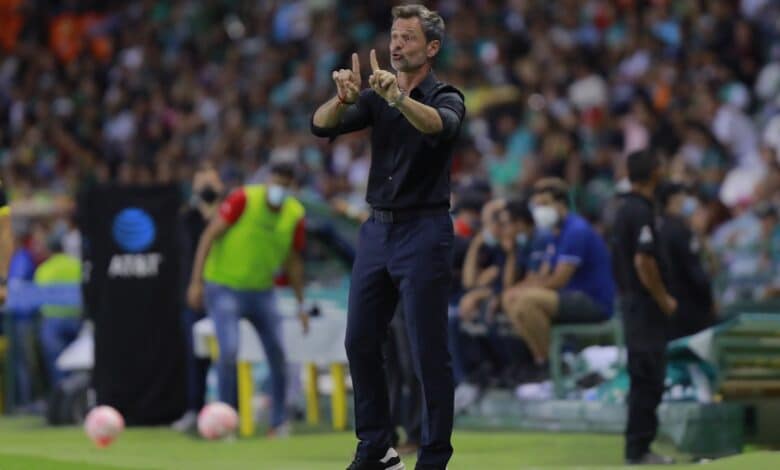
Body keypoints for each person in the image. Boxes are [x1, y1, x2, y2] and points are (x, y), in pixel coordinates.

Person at [311, 4, 465, 469]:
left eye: (408, 38)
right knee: (359, 339)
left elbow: (441, 127)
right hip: (377, 231)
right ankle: (376, 446)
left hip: (424, 229)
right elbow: (321, 126)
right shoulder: (377, 95)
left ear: (431, 48)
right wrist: (341, 98)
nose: (396, 44)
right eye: (394, 36)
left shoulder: (446, 94)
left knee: (427, 350)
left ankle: (434, 456)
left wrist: (398, 98)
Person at [186, 162, 308, 437]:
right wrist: (196, 282)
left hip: (263, 291)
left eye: (285, 184)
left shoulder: (295, 214)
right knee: (228, 351)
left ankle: (278, 423)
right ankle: (226, 421)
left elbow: (293, 262)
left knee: (278, 354)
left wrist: (301, 305)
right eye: (275, 181)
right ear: (266, 180)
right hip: (224, 287)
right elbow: (208, 236)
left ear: (292, 188)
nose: (278, 189)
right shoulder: (244, 198)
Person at [501, 178, 615, 368]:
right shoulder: (555, 233)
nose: (539, 210)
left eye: (544, 204)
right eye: (536, 205)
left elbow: (558, 280)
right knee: (510, 298)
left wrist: (523, 291)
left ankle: (557, 365)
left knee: (526, 302)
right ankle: (544, 362)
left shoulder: (576, 230)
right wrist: (517, 289)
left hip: (592, 300)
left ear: (561, 204)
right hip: (569, 297)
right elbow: (543, 275)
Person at [611, 150, 676, 465]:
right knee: (649, 376)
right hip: (644, 306)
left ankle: (639, 447)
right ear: (653, 172)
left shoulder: (626, 208)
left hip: (632, 304)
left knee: (644, 376)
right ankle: (639, 449)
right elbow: (643, 259)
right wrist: (662, 297)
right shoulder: (639, 210)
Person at [172, 163, 224, 432]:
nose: (205, 189)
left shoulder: (228, 213)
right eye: (200, 183)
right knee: (196, 357)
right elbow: (191, 249)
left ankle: (230, 409)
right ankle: (195, 409)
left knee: (228, 353)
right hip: (195, 296)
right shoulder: (186, 217)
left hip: (226, 292)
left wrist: (214, 206)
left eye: (210, 182)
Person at [656, 183, 714, 339]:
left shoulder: (659, 227)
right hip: (689, 306)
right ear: (673, 199)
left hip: (668, 303)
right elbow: (696, 273)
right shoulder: (680, 231)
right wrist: (709, 300)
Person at [34, 236, 82, 388]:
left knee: (56, 364)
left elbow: (37, 297)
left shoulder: (43, 270)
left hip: (53, 322)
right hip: (76, 320)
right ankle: (78, 391)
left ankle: (62, 396)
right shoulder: (77, 265)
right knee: (78, 363)